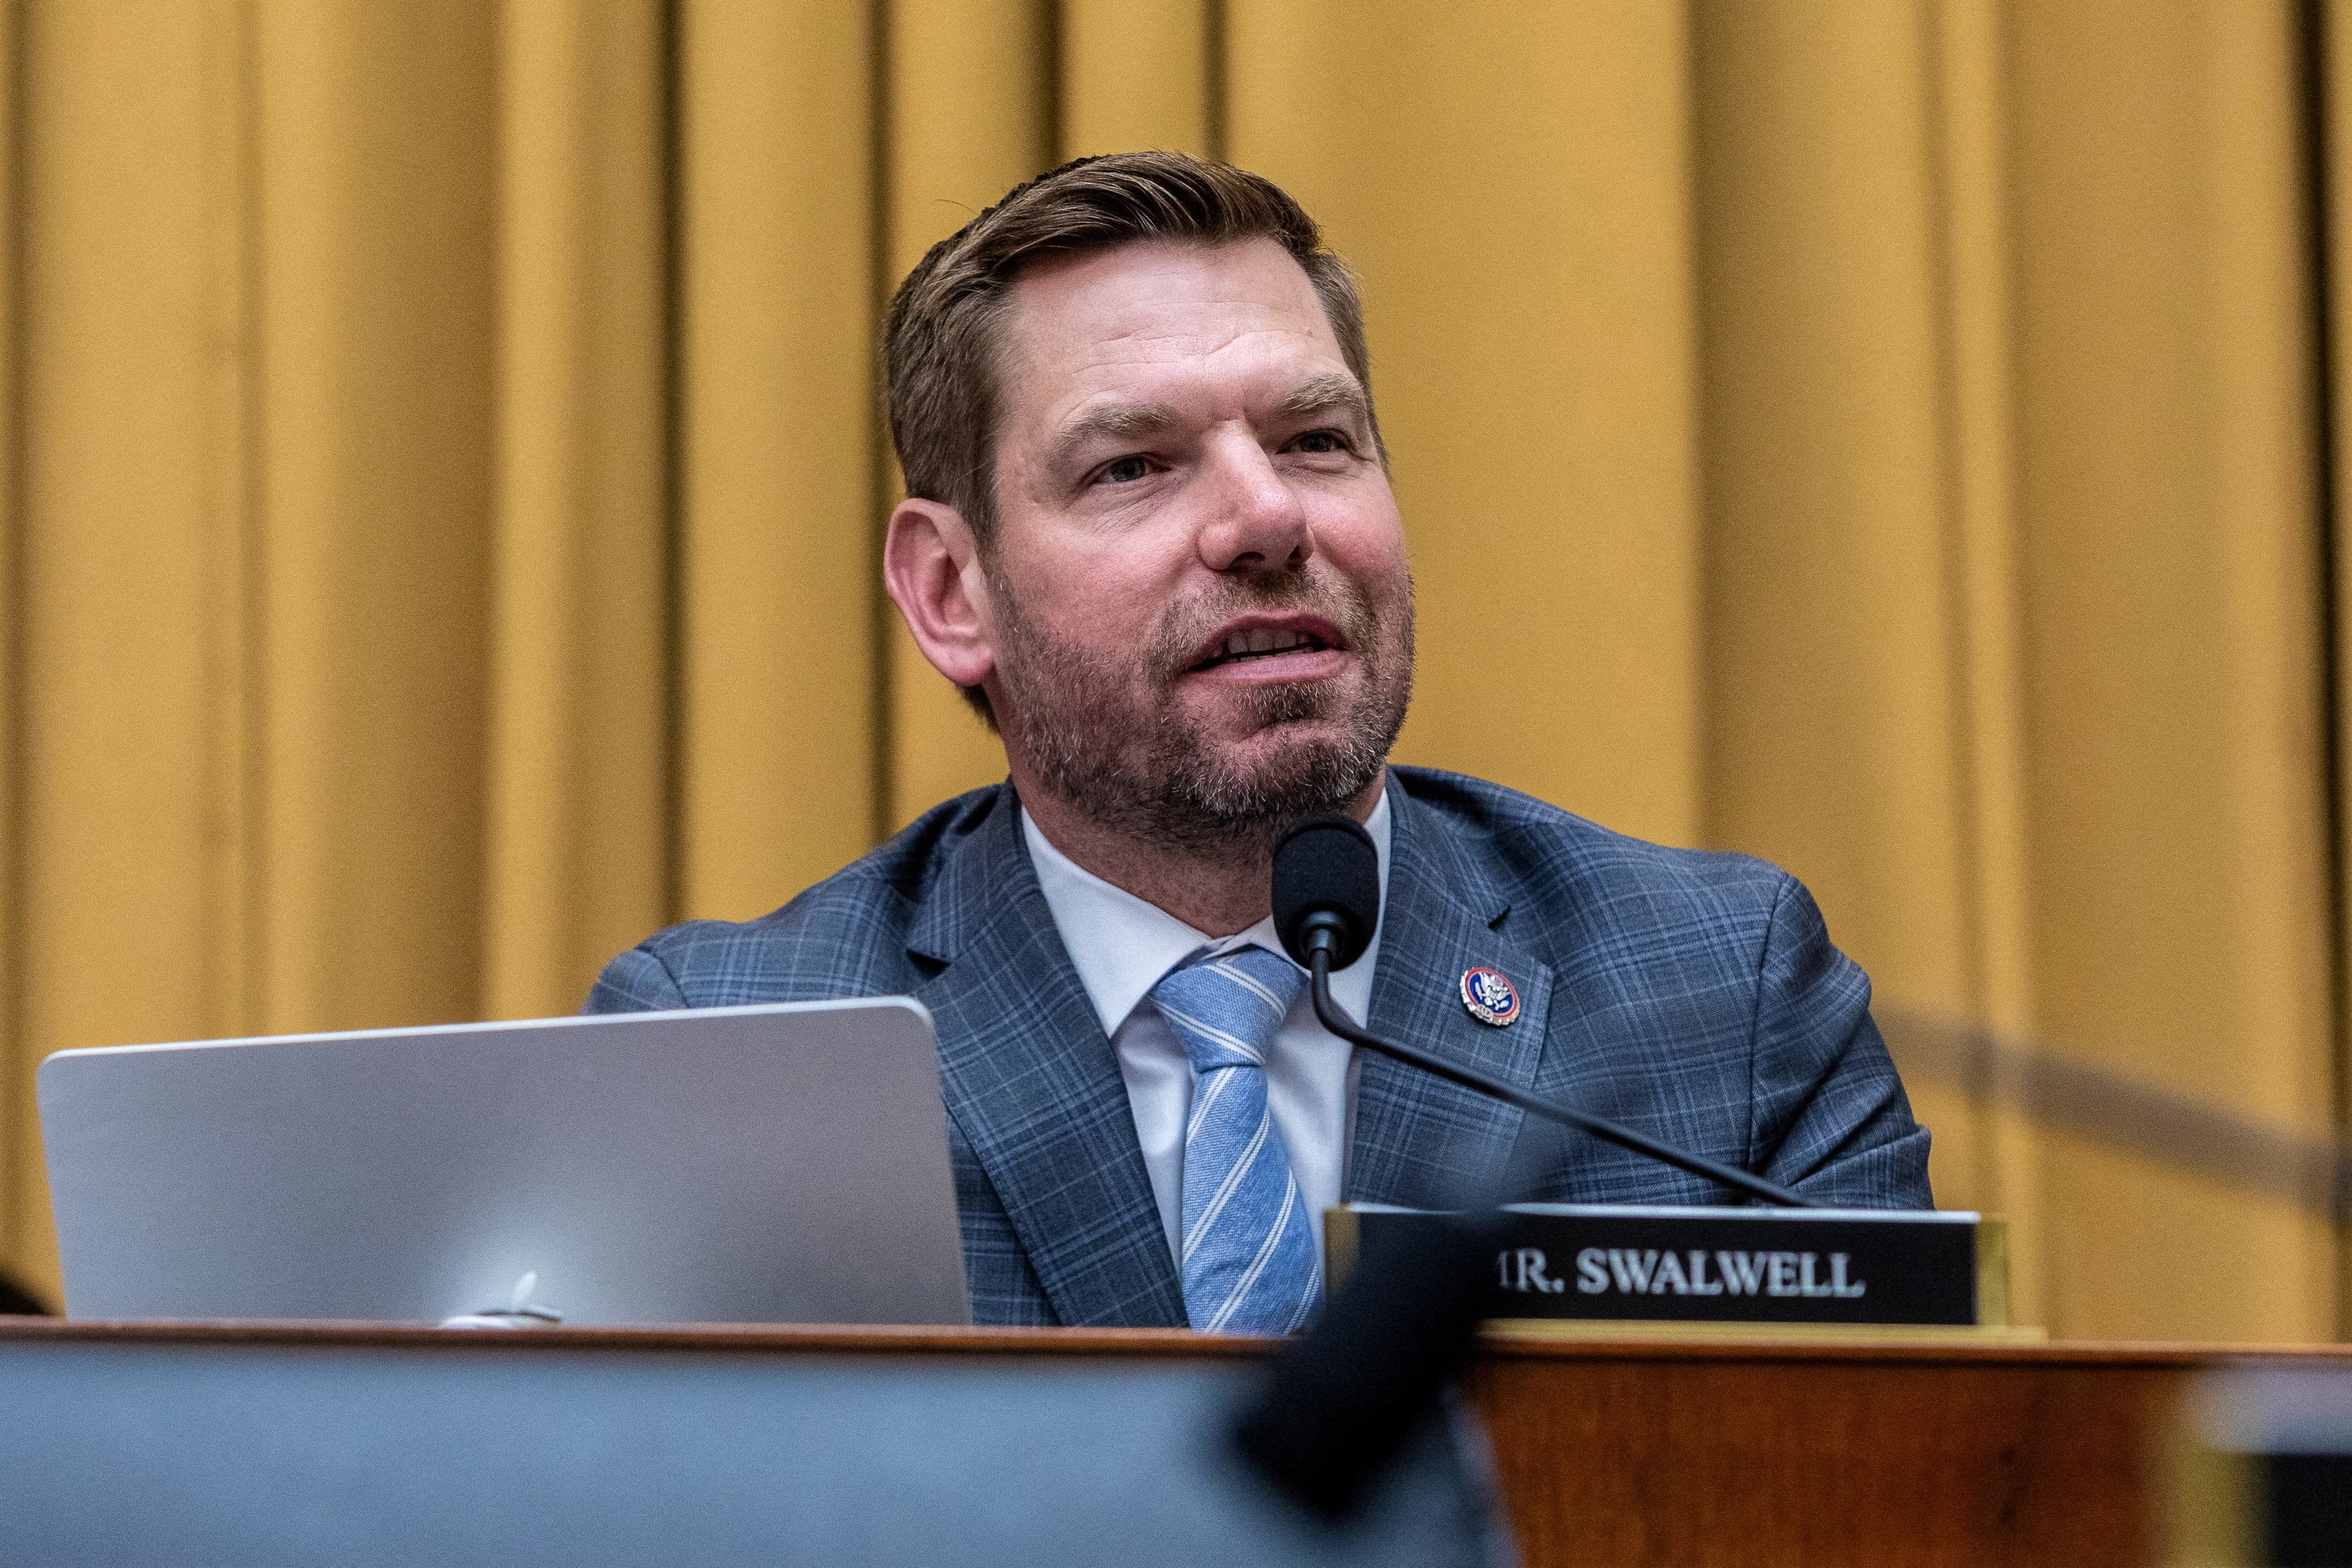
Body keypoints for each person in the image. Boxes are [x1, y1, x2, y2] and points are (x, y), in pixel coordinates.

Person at [586, 151, 1930, 1330]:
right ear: (953, 591)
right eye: (1133, 467)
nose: (1265, 517)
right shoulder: (733, 1056)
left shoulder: (1718, 999)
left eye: (1316, 439)